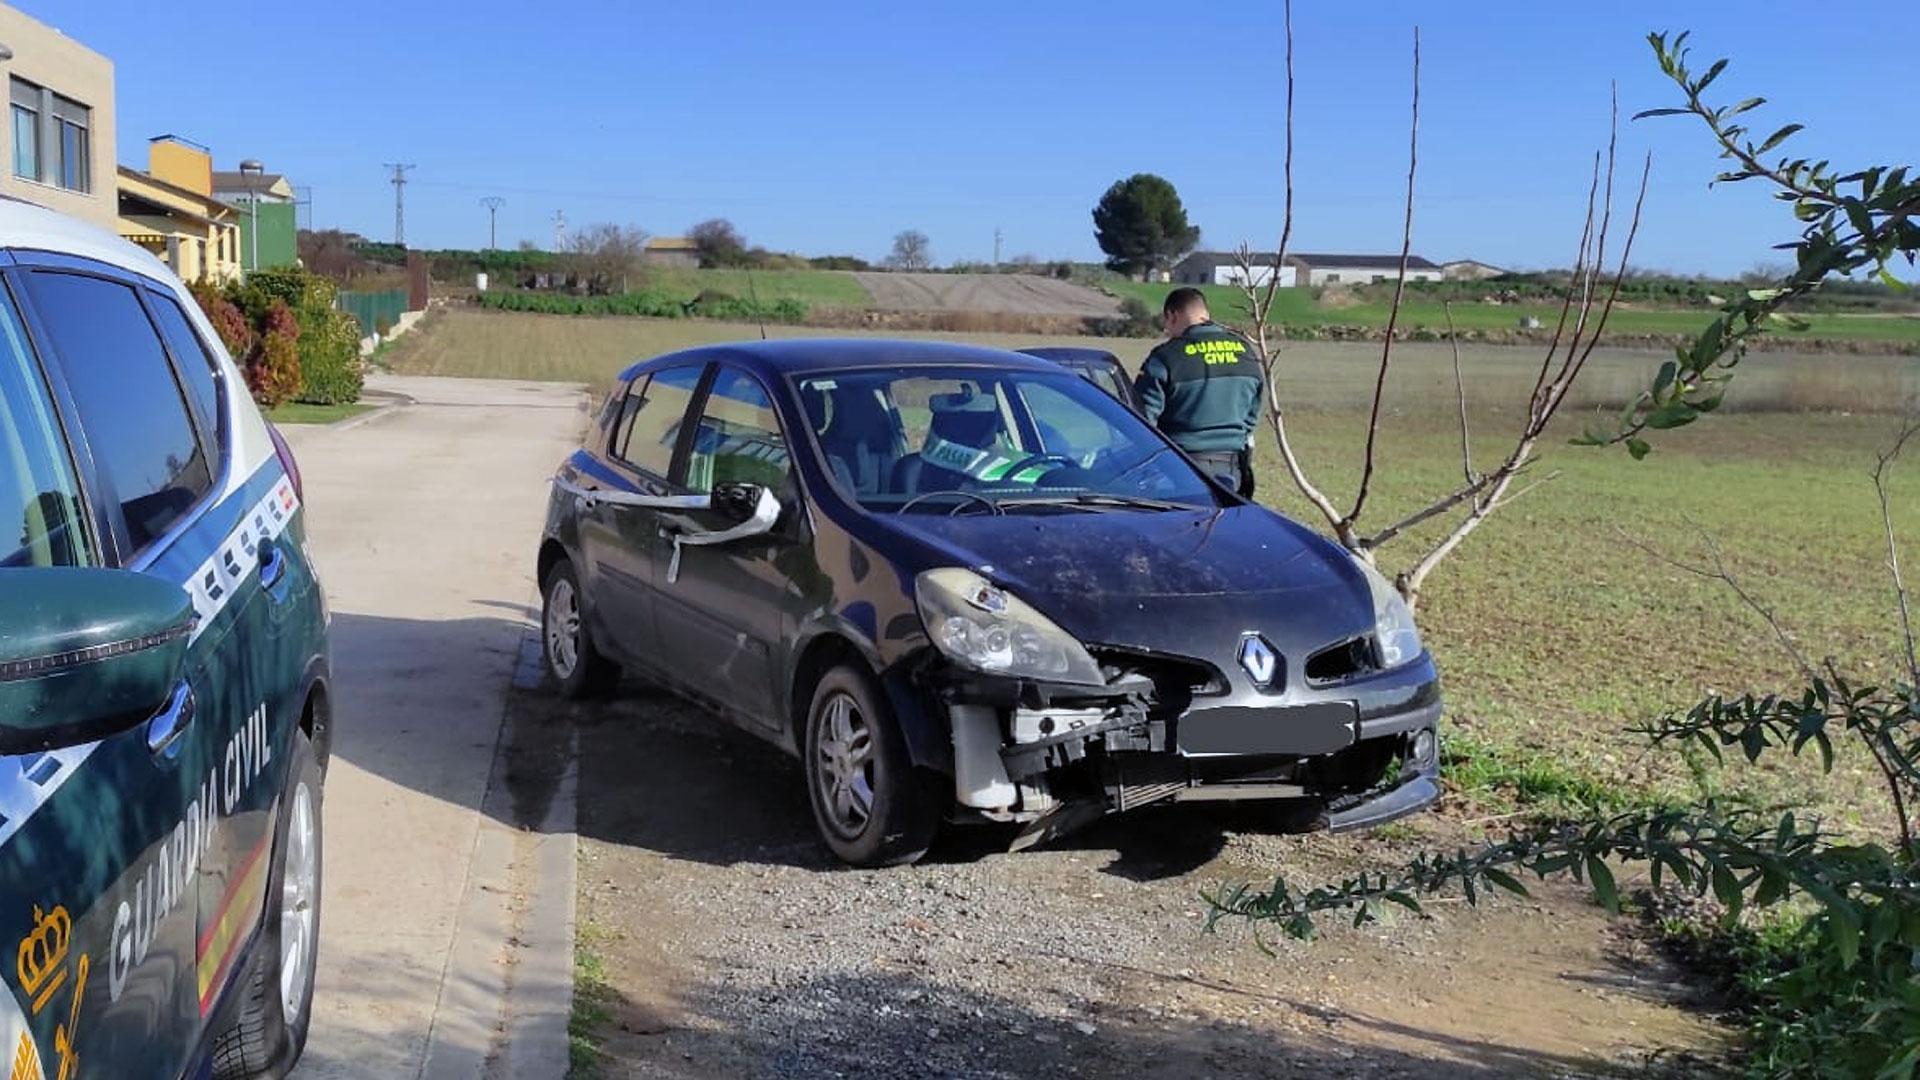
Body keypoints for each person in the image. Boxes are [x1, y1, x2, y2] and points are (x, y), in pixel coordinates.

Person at [1133, 287, 1263, 497]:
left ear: (1172, 316)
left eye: (1166, 323)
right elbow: (1252, 413)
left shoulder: (1165, 357)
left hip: (1180, 467)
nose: (1167, 330)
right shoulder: (1245, 351)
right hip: (1233, 468)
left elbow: (1141, 419)